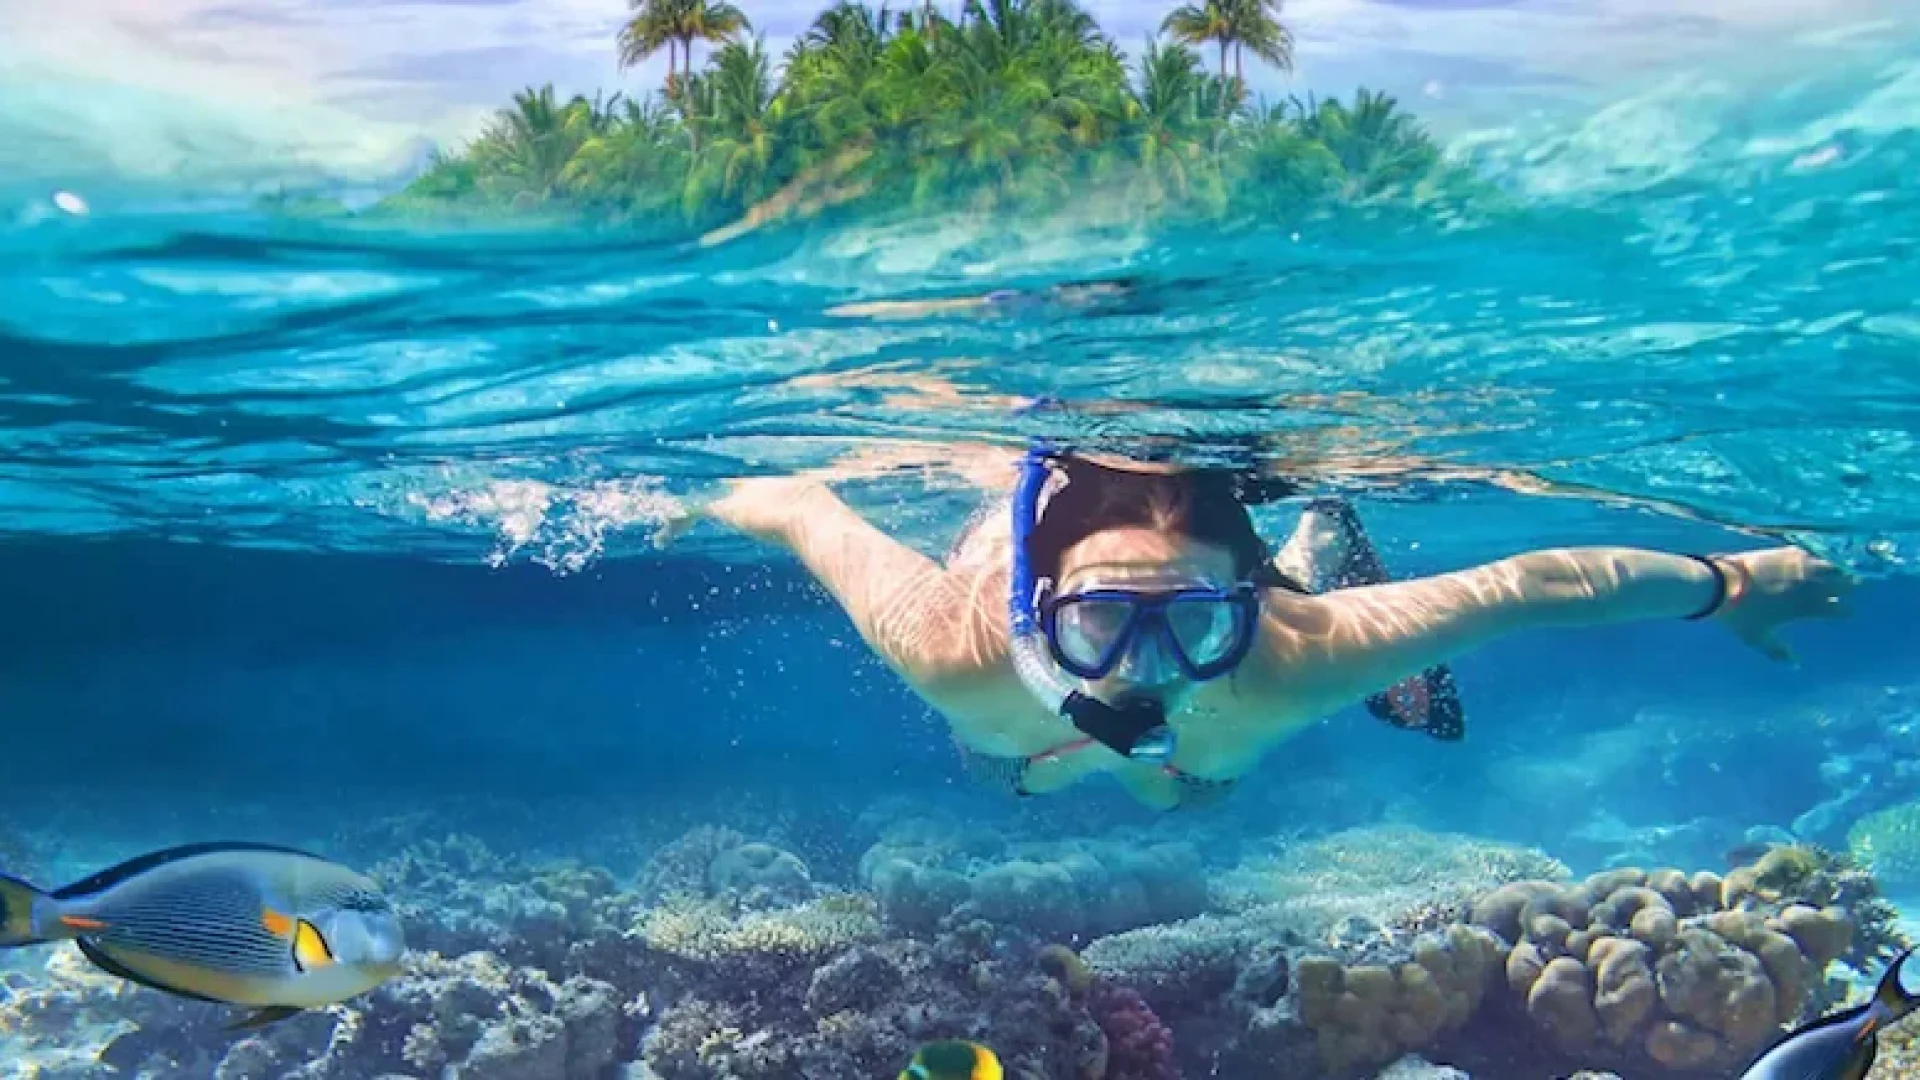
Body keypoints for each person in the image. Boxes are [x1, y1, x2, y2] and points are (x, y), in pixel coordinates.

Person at [668, 446, 1854, 810]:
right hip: (1019, 725)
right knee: (1008, 770)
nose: (1143, 669)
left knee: (1194, 789)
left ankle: (1309, 547)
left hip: (1253, 658)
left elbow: (1539, 581)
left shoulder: (1299, 653)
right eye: (1098, 622)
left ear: (1246, 609)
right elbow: (798, 504)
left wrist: (1733, 584)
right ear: (1038, 610)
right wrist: (672, 497)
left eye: (1189, 622)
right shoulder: (949, 640)